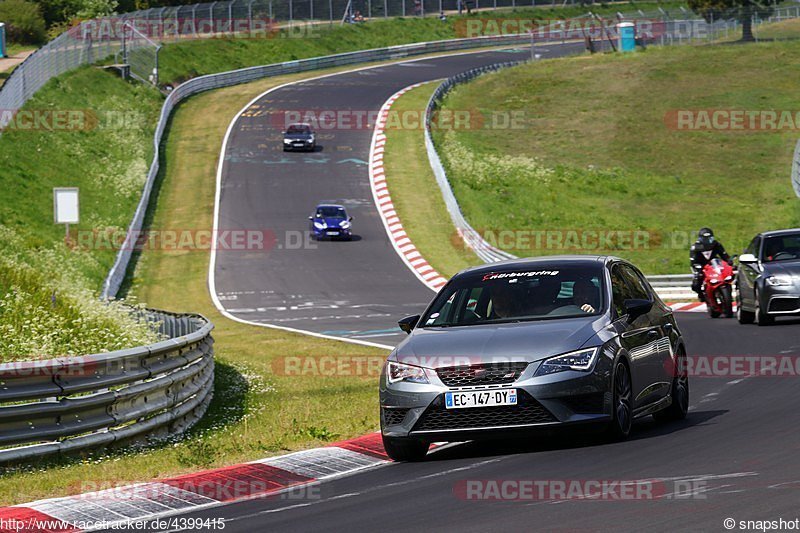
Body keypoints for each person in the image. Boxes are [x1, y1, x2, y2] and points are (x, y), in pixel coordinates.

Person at [690, 227, 730, 301]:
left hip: (714, 264)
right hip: (701, 266)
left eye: (709, 238)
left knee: (727, 276)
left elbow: (724, 255)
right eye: (704, 239)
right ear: (700, 239)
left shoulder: (716, 244)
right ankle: (701, 294)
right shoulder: (695, 247)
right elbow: (693, 260)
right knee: (696, 284)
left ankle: (727, 294)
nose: (707, 241)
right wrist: (698, 268)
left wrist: (729, 262)